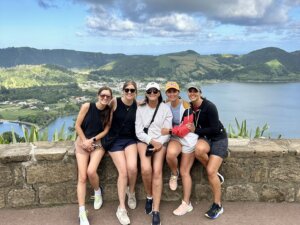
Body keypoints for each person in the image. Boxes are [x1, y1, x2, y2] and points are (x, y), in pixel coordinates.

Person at [186, 85, 228, 220]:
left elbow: (215, 129)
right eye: (190, 91)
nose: (192, 93)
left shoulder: (210, 107)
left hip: (218, 138)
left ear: (200, 93)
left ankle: (218, 205)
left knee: (210, 172)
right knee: (198, 151)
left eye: (195, 91)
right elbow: (172, 100)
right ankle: (216, 174)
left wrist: (195, 131)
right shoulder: (190, 107)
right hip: (205, 138)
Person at [135, 82, 172, 225]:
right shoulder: (140, 109)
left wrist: (159, 143)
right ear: (146, 93)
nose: (152, 94)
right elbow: (138, 132)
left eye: (154, 91)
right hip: (144, 141)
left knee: (157, 171)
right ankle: (149, 196)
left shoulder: (165, 109)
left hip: (160, 142)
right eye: (149, 91)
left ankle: (156, 210)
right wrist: (151, 141)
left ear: (158, 93)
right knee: (145, 169)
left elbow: (167, 131)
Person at [74, 86, 112, 225]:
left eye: (108, 96)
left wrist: (92, 140)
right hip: (82, 143)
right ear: (98, 95)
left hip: (97, 144)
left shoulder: (109, 111)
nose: (105, 98)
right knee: (82, 177)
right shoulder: (87, 106)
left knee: (91, 172)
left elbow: (107, 130)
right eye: (103, 95)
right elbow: (77, 126)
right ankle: (82, 212)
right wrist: (84, 141)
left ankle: (97, 191)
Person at [161, 81, 198, 216]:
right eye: (169, 91)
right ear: (166, 93)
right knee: (170, 155)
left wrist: (169, 130)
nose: (172, 94)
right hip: (175, 138)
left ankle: (186, 203)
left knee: (185, 172)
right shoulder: (164, 105)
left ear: (178, 92)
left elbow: (185, 131)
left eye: (174, 91)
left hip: (187, 139)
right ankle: (173, 174)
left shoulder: (186, 106)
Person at [106, 81, 138, 225]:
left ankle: (131, 192)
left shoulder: (138, 104)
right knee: (123, 172)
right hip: (115, 140)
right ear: (123, 90)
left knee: (132, 168)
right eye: (127, 90)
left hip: (130, 140)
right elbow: (100, 112)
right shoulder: (115, 102)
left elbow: (154, 102)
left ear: (136, 91)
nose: (129, 92)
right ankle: (121, 208)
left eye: (132, 90)